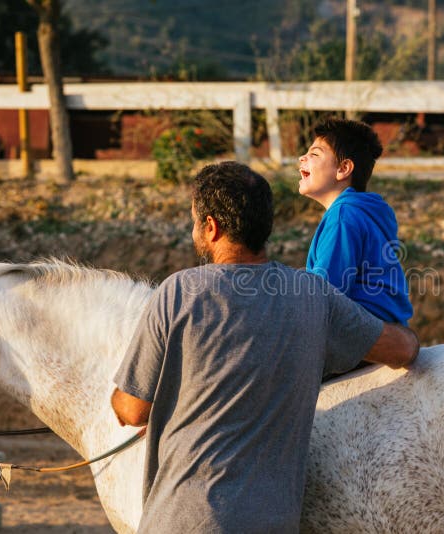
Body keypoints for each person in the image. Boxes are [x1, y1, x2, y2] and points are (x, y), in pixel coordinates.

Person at [110, 161, 419, 534]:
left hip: (183, 520)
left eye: (194, 221)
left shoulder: (179, 292)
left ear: (211, 227)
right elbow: (404, 349)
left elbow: (131, 409)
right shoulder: (313, 296)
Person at [298, 117, 413, 326]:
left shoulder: (343, 215)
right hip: (387, 323)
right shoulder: (364, 211)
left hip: (364, 328)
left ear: (343, 168)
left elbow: (324, 291)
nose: (301, 158)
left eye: (314, 154)